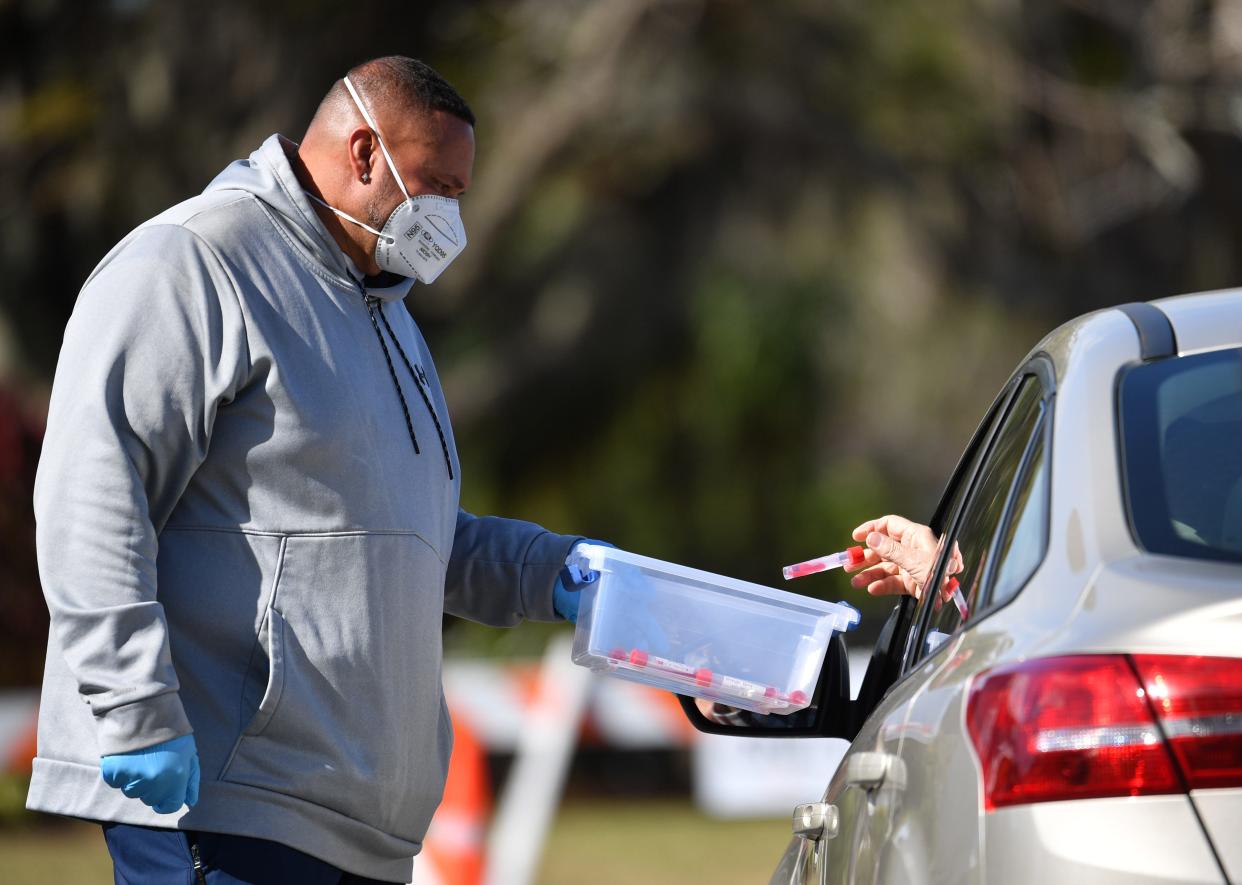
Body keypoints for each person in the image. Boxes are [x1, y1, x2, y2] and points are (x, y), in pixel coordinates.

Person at [27, 56, 603, 884]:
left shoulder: (387, 311)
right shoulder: (192, 262)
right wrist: (136, 711)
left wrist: (556, 572)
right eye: (439, 185)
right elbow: (92, 495)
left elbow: (401, 536)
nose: (450, 216)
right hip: (222, 804)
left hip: (357, 825)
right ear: (366, 152)